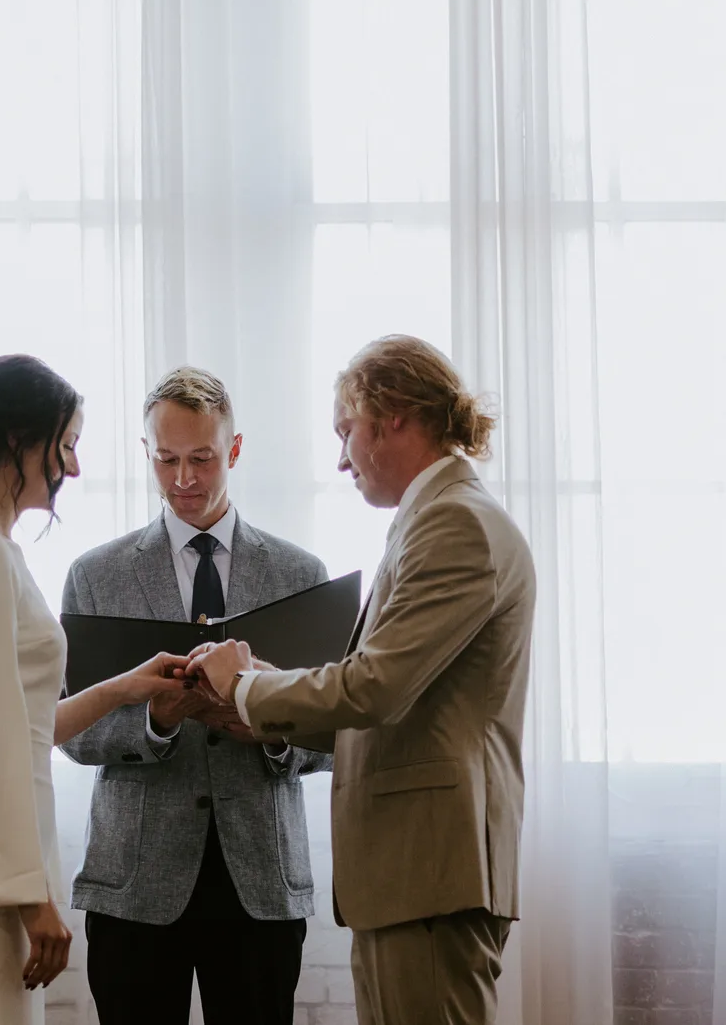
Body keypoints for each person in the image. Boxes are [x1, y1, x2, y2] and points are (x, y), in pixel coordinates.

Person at [187, 335, 536, 1025]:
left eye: (347, 431)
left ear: (396, 414)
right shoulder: (435, 520)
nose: (341, 458)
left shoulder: (456, 523)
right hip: (410, 875)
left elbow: (375, 687)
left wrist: (246, 687)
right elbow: (392, 696)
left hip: (430, 869)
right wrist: (253, 703)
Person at [0, 354, 189, 1025]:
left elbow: (19, 722)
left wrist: (124, 690)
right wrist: (34, 899)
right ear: (17, 441)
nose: (75, 468)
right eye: (66, 446)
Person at [58, 366, 333, 1025]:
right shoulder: (95, 576)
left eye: (202, 458)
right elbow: (71, 732)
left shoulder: (300, 574)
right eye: (167, 459)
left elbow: (330, 734)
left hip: (260, 883)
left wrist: (267, 725)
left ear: (233, 451)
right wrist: (152, 721)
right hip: (135, 887)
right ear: (147, 453)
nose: (184, 478)